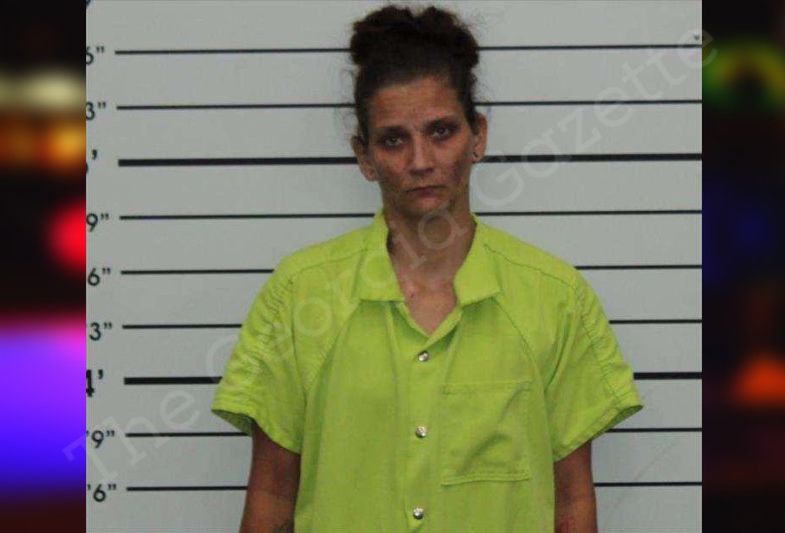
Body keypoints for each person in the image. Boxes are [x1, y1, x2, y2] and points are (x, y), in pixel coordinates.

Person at [211, 4, 643, 532]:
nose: (420, 161)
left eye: (441, 131)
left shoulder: (555, 298)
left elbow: (571, 502)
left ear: (478, 136)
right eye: (394, 139)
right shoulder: (301, 296)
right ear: (364, 156)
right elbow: (272, 494)